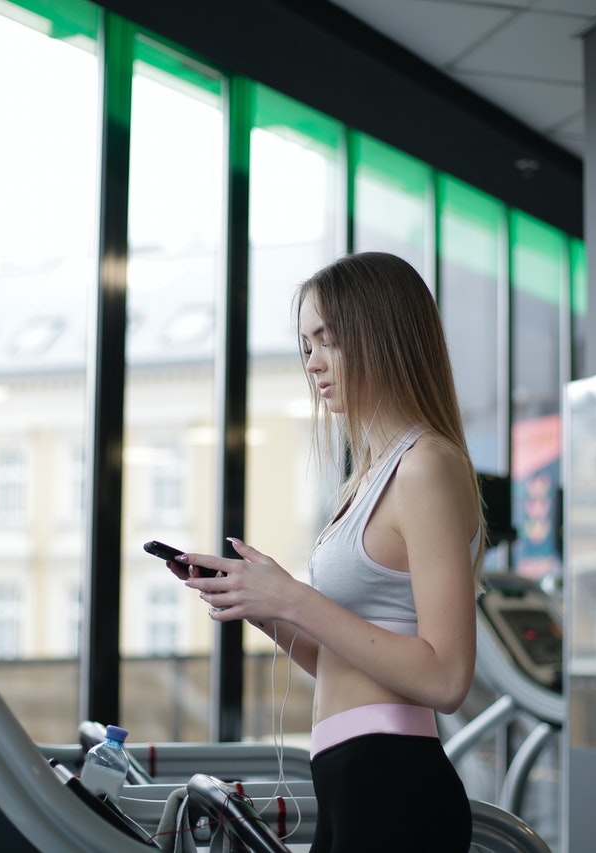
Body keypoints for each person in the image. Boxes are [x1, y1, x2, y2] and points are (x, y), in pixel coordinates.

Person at [163, 251, 485, 852]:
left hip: (394, 781)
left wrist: (295, 597)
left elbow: (445, 677)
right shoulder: (366, 478)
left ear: (379, 338)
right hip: (348, 777)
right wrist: (264, 605)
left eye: (326, 341)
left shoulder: (425, 467)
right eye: (305, 345)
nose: (312, 363)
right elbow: (338, 660)